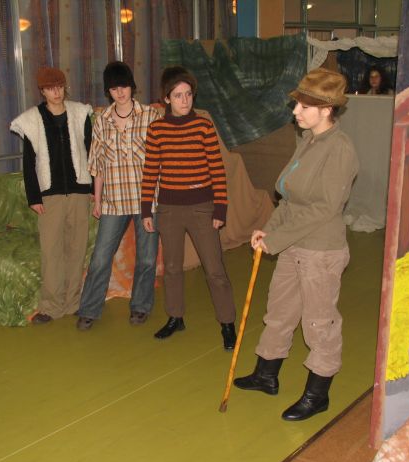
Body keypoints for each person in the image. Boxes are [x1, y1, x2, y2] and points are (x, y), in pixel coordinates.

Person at [233, 68, 359, 421]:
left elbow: (324, 208)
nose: (295, 111)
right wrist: (267, 230)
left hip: (320, 250)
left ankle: (317, 395)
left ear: (327, 109)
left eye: (304, 106)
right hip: (293, 244)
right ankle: (266, 375)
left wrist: (277, 239)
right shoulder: (308, 141)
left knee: (319, 322)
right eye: (297, 104)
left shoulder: (340, 149)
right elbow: (288, 197)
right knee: (280, 311)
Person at [141, 66, 237, 350]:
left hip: (201, 208)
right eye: (178, 95)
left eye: (188, 94)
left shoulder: (203, 127)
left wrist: (220, 209)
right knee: (172, 268)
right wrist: (146, 209)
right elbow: (150, 171)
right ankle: (175, 317)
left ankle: (227, 322)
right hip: (169, 210)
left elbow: (217, 170)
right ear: (166, 99)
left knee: (214, 268)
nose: (185, 100)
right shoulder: (156, 129)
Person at [76, 62, 160, 330]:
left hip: (147, 199)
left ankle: (140, 306)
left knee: (147, 258)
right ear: (108, 91)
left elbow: (162, 159)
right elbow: (98, 165)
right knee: (101, 256)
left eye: (123, 86)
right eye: (114, 88)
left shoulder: (151, 116)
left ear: (132, 86)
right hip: (114, 200)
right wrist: (97, 199)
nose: (120, 92)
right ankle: (89, 309)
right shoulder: (101, 121)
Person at [10, 66, 93, 325]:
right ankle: (50, 306)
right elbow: (28, 162)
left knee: (77, 249)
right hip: (50, 196)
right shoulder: (32, 119)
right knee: (51, 251)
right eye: (49, 88)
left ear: (64, 87)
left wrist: (94, 189)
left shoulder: (80, 113)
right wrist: (34, 197)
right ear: (42, 91)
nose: (56, 92)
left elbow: (91, 151)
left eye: (59, 87)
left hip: (80, 193)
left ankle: (73, 302)